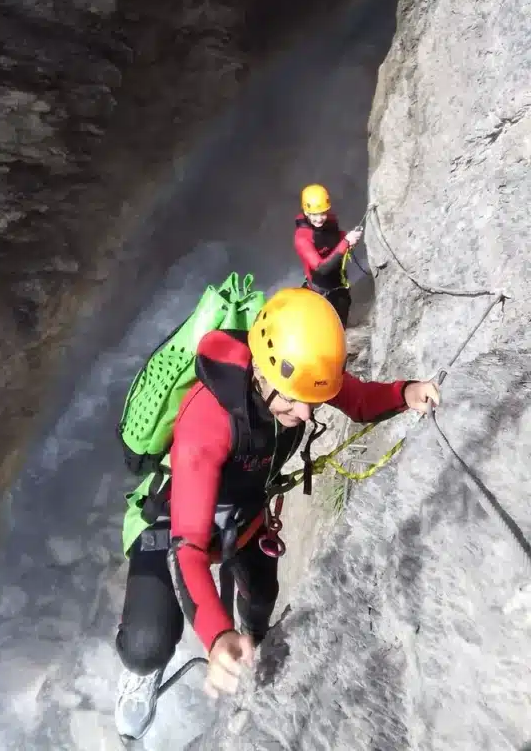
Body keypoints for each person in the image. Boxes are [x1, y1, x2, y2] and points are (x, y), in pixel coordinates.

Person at [114, 287, 440, 739]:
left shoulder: (300, 375)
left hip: (244, 520)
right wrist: (215, 635)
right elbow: (186, 548)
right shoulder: (206, 424)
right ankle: (143, 671)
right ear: (262, 374)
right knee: (145, 646)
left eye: (311, 399)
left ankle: (252, 647)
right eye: (293, 399)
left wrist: (407, 393)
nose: (305, 413)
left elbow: (360, 400)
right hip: (174, 522)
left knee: (261, 600)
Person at [293, 183, 363, 328]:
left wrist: (351, 239)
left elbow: (337, 238)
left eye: (323, 213)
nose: (320, 219)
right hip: (320, 292)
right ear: (306, 212)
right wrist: (345, 243)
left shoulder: (330, 222)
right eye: (314, 215)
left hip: (339, 286)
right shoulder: (302, 237)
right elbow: (321, 269)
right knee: (324, 329)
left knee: (341, 325)